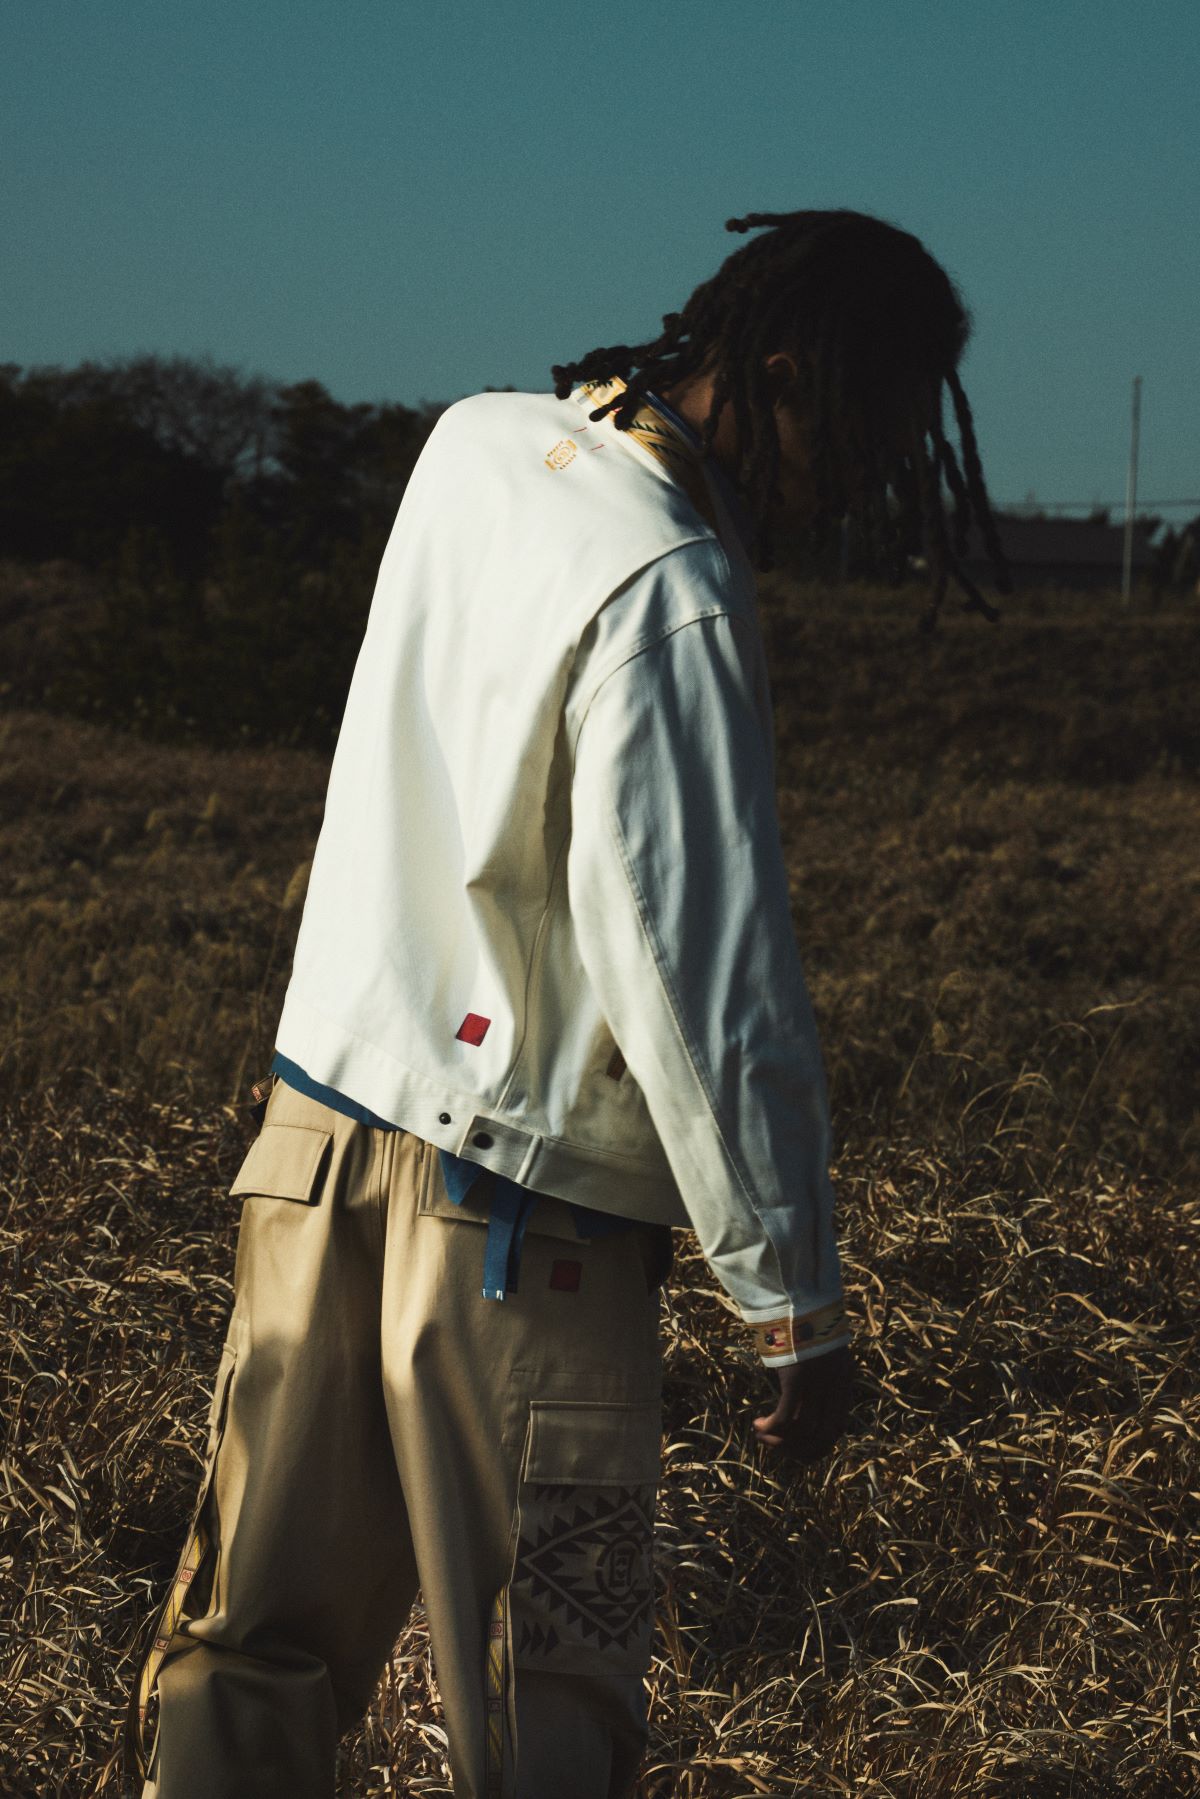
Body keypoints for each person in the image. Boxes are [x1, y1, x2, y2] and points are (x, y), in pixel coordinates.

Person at [123, 208, 1011, 1799]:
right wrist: (794, 1304)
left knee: (249, 1644)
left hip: (316, 1141)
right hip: (522, 1225)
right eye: (869, 431)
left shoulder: (475, 444)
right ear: (782, 373)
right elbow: (698, 969)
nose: (870, 483)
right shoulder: (673, 582)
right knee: (546, 1705)